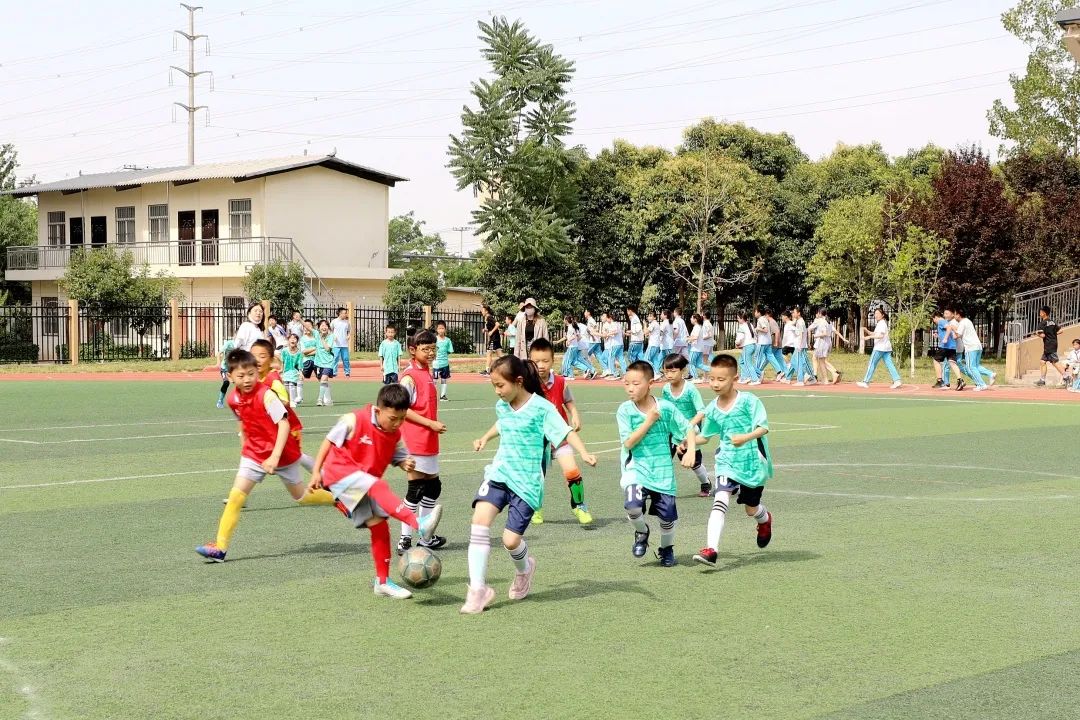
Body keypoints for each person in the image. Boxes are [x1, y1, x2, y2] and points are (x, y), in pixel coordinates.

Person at [464, 355, 597, 613]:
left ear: (519, 381)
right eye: (493, 385)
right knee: (479, 524)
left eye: (500, 385)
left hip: (526, 483)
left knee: (510, 541)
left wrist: (583, 453)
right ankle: (477, 590)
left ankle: (525, 569)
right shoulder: (502, 406)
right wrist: (484, 438)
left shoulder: (542, 408)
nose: (497, 391)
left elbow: (564, 432)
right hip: (499, 474)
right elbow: (502, 424)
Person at [195, 349, 336, 562]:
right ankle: (220, 548)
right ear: (230, 377)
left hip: (282, 453)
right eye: (241, 376)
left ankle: (337, 499)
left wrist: (274, 457)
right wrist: (246, 446)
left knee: (302, 498)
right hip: (254, 454)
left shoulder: (267, 395)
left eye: (251, 374)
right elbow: (242, 421)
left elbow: (284, 424)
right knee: (236, 496)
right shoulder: (233, 399)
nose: (247, 379)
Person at [308, 384, 444, 600]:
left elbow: (399, 456)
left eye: (402, 419)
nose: (397, 424)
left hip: (363, 483)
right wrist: (316, 471)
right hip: (339, 473)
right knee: (378, 486)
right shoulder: (353, 420)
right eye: (393, 418)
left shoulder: (394, 433)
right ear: (379, 410)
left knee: (380, 526)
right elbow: (329, 441)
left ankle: (382, 582)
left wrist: (404, 463)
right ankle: (421, 524)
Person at [690, 354, 774, 566]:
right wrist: (687, 440)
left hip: (752, 463)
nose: (715, 384)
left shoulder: (749, 401)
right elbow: (705, 437)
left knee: (751, 509)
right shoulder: (712, 409)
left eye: (721, 379)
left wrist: (745, 437)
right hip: (726, 462)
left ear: (734, 378)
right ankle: (711, 549)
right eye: (711, 379)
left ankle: (765, 520)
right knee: (720, 499)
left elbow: (763, 427)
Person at [618, 360, 696, 568]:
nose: (630, 388)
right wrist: (649, 420)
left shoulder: (666, 408)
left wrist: (689, 449)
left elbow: (688, 428)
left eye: (635, 383)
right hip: (635, 470)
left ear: (650, 383)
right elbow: (629, 442)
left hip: (662, 472)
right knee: (632, 507)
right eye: (626, 384)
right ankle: (642, 531)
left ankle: (666, 549)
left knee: (667, 518)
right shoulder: (625, 410)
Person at [528, 338, 593, 525]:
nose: (540, 365)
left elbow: (568, 401)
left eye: (545, 361)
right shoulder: (526, 383)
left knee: (572, 471)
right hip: (536, 438)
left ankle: (579, 505)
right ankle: (535, 509)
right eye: (536, 361)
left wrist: (575, 414)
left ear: (553, 361)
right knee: (536, 477)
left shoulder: (559, 381)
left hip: (560, 436)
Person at [397, 329, 448, 554]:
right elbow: (401, 408)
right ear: (413, 350)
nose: (430, 353)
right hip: (414, 441)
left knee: (432, 487)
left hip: (429, 441)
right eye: (425, 349)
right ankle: (405, 538)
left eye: (432, 349)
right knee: (416, 490)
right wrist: (430, 424)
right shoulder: (409, 376)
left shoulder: (427, 372)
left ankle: (425, 536)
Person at [661, 353, 712, 497]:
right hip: (671, 431)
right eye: (666, 371)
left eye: (673, 371)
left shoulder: (690, 389)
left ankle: (705, 483)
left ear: (683, 370)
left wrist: (690, 426)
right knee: (663, 460)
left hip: (689, 431)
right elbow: (665, 408)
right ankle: (658, 489)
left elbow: (702, 411)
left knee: (693, 463)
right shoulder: (665, 389)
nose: (669, 374)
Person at [856, 308, 903, 390]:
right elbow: (875, 333)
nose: (876, 315)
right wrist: (867, 330)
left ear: (882, 315)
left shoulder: (882, 324)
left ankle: (865, 382)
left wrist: (869, 337)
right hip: (886, 348)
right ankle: (897, 380)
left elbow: (880, 336)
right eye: (875, 313)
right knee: (889, 364)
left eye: (878, 313)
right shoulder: (881, 323)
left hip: (879, 348)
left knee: (872, 364)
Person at [954, 309, 991, 392]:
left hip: (971, 347)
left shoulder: (962, 323)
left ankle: (981, 384)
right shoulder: (968, 321)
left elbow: (957, 336)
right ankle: (990, 375)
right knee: (976, 366)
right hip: (977, 346)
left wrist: (952, 328)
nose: (954, 316)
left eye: (955, 314)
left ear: (959, 315)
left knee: (970, 367)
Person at [1035, 305, 1069, 386]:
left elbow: (1042, 335)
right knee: (1042, 362)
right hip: (1053, 344)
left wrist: (1037, 334)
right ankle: (1042, 380)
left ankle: (1066, 377)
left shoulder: (1042, 323)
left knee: (1054, 362)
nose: (1039, 313)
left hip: (1049, 345)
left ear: (1044, 313)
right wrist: (1053, 334)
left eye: (1040, 312)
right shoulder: (1052, 322)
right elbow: (1061, 331)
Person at [930, 310, 964, 391]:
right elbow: (949, 330)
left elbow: (948, 328)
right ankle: (960, 380)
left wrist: (945, 338)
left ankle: (940, 381)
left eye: (933, 320)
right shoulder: (946, 322)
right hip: (952, 346)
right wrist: (939, 335)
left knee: (936, 360)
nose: (934, 322)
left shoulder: (941, 321)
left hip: (945, 346)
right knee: (952, 363)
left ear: (936, 317)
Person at [810, 308, 844, 385]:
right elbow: (835, 331)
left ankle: (828, 376)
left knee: (821, 361)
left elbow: (824, 333)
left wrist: (816, 335)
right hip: (827, 343)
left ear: (819, 313)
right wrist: (844, 339)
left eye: (817, 313)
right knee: (818, 359)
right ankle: (823, 376)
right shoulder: (829, 322)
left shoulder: (822, 322)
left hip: (822, 342)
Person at [313, 320, 337, 406]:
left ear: (328, 327)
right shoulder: (316, 334)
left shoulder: (331, 337)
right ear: (318, 328)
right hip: (318, 363)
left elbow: (328, 349)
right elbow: (307, 326)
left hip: (328, 363)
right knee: (323, 381)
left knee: (323, 380)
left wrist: (322, 338)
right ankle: (329, 400)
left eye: (326, 325)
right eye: (322, 325)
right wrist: (299, 319)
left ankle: (319, 399)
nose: (324, 327)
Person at [734, 311, 760, 384]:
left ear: (742, 318)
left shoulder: (742, 327)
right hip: (753, 345)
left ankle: (755, 379)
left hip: (747, 346)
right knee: (741, 361)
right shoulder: (750, 324)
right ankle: (745, 377)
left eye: (738, 318)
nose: (737, 320)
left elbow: (740, 338)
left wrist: (737, 343)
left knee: (748, 363)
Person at [280, 333, 304, 407]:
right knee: (286, 385)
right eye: (291, 338)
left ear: (297, 341)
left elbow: (300, 364)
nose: (293, 340)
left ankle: (292, 401)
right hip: (286, 371)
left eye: (295, 338)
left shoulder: (299, 353)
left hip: (294, 371)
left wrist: (300, 372)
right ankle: (287, 400)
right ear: (288, 340)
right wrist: (281, 371)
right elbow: (282, 361)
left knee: (292, 384)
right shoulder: (284, 351)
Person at [432, 320, 454, 401]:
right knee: (435, 380)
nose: (441, 330)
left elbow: (449, 351)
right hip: (436, 364)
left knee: (444, 379)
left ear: (445, 329)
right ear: (436, 330)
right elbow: (432, 350)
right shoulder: (434, 339)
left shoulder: (448, 340)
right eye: (439, 328)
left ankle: (443, 396)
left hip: (445, 364)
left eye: (442, 328)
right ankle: (433, 396)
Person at [602, 312, 627, 379]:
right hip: (620, 344)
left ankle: (613, 374)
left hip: (615, 344)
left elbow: (615, 331)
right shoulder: (619, 324)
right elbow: (622, 334)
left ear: (610, 318)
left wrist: (608, 334)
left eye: (607, 318)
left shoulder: (613, 324)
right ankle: (625, 374)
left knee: (610, 358)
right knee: (621, 358)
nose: (607, 320)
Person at [330, 307, 352, 379]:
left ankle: (347, 372)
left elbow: (349, 331)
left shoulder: (347, 322)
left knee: (345, 358)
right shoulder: (334, 321)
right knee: (335, 358)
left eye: (346, 313)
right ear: (339, 313)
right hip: (336, 344)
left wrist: (348, 336)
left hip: (344, 344)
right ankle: (334, 373)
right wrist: (333, 336)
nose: (345, 314)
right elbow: (330, 331)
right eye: (344, 313)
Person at [215, 336, 236, 409]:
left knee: (241, 384)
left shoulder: (241, 345)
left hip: (235, 369)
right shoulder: (229, 343)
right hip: (225, 368)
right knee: (226, 382)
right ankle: (220, 401)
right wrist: (218, 363)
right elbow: (219, 353)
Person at [480, 305, 501, 375]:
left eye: (482, 310)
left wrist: (491, 332)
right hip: (495, 338)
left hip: (494, 338)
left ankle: (487, 370)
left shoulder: (489, 317)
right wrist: (486, 330)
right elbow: (491, 327)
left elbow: (497, 324)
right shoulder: (487, 318)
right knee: (499, 354)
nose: (481, 311)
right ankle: (510, 364)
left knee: (489, 353)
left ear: (486, 311)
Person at [687, 314, 707, 382]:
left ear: (695, 319)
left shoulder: (697, 327)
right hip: (699, 349)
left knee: (691, 363)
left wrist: (687, 339)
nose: (690, 319)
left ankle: (695, 378)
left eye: (691, 318)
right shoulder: (698, 327)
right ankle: (714, 370)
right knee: (699, 364)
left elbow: (695, 337)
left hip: (695, 349)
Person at [299, 319, 318, 389]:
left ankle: (326, 398)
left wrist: (309, 353)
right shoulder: (302, 339)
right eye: (305, 326)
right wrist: (315, 348)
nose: (307, 328)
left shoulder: (317, 337)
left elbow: (320, 350)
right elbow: (304, 352)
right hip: (306, 361)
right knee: (300, 377)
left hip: (317, 361)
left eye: (309, 326)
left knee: (322, 378)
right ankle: (299, 397)